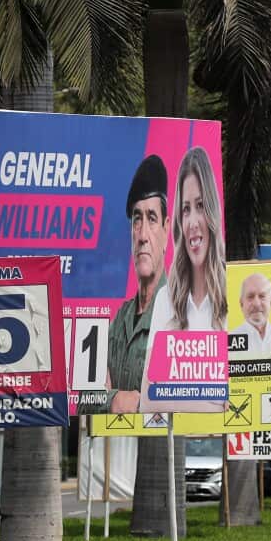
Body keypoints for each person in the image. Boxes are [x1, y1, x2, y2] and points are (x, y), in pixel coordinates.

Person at [140, 146, 227, 413]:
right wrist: (213, 400)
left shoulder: (234, 297)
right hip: (173, 443)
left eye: (200, 206)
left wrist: (177, 394)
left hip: (225, 448)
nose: (192, 222)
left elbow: (240, 402)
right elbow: (149, 400)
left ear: (212, 212)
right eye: (186, 209)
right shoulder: (166, 299)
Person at [80, 155, 170, 415]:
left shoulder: (179, 315)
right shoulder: (120, 320)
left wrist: (140, 402)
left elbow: (187, 399)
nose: (142, 235)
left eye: (151, 219)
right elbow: (85, 397)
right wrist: (115, 400)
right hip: (114, 452)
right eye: (136, 220)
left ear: (166, 230)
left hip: (161, 452)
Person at [229, 272, 271, 355]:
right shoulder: (229, 339)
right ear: (241, 303)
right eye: (250, 296)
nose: (256, 303)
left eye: (262, 296)